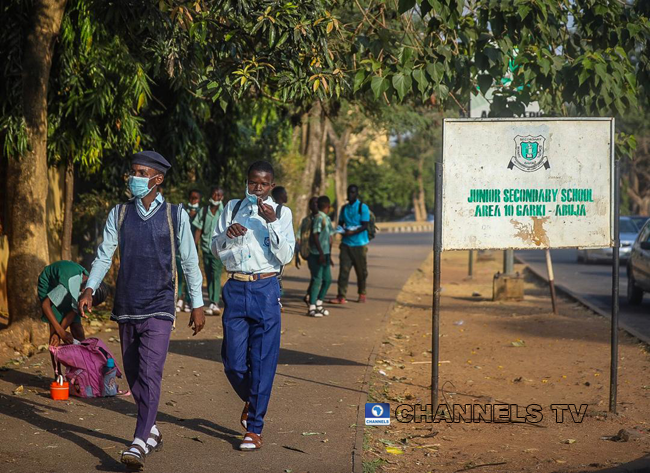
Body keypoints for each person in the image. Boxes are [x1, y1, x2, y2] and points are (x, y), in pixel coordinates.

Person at [78, 151, 205, 470]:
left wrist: (197, 303)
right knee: (134, 373)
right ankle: (152, 428)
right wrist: (90, 287)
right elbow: (104, 255)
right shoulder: (119, 213)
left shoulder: (176, 215)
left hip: (161, 304)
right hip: (127, 304)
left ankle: (138, 441)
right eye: (132, 171)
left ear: (157, 179)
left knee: (150, 371)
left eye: (141, 172)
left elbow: (189, 261)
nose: (133, 177)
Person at [211, 160, 295, 451]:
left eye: (263, 183)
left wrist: (271, 221)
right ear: (246, 182)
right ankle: (253, 399)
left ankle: (254, 429)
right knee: (232, 364)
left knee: (262, 360)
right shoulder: (233, 208)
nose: (257, 188)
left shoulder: (282, 213)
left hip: (266, 288)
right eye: (252, 182)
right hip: (235, 287)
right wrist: (226, 236)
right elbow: (214, 247)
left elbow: (285, 256)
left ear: (271, 185)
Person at [38, 260, 108, 347]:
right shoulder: (67, 285)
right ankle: (56, 358)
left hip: (70, 285)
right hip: (50, 284)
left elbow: (73, 312)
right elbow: (45, 304)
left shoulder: (90, 285)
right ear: (83, 292)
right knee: (55, 329)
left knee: (77, 329)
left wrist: (61, 332)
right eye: (86, 304)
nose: (86, 306)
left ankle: (83, 357)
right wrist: (60, 333)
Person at [330, 185, 370, 304]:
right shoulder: (344, 208)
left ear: (357, 194)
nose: (351, 194)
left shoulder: (362, 207)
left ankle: (362, 293)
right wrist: (342, 230)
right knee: (344, 271)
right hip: (346, 244)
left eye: (353, 192)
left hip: (359, 244)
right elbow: (341, 223)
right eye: (349, 192)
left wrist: (353, 232)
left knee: (361, 271)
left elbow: (365, 225)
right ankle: (341, 295)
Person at [193, 186, 225, 315]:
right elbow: (198, 229)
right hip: (206, 249)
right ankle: (212, 301)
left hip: (219, 250)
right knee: (208, 275)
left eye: (218, 195)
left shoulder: (224, 213)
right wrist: (194, 246)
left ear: (222, 197)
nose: (216, 197)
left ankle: (215, 302)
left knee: (216, 275)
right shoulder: (204, 211)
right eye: (214, 195)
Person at [307, 196, 334, 317]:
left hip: (326, 254)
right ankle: (311, 307)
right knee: (317, 279)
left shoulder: (327, 218)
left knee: (328, 279)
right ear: (328, 206)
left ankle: (319, 303)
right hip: (317, 254)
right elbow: (315, 235)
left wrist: (329, 255)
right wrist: (321, 253)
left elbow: (330, 237)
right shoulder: (319, 218)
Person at [176, 189, 202, 313]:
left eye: (196, 198)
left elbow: (199, 229)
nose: (193, 200)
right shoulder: (182, 211)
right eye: (192, 198)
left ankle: (188, 300)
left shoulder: (201, 212)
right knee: (179, 274)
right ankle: (179, 298)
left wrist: (193, 245)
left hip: (193, 247)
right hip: (179, 247)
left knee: (190, 272)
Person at [295, 197, 319, 305]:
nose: (315, 205)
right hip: (309, 252)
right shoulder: (306, 221)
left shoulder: (323, 219)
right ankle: (312, 300)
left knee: (318, 276)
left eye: (317, 203)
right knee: (316, 275)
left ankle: (310, 295)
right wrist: (297, 255)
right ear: (309, 206)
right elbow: (298, 237)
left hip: (321, 252)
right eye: (313, 203)